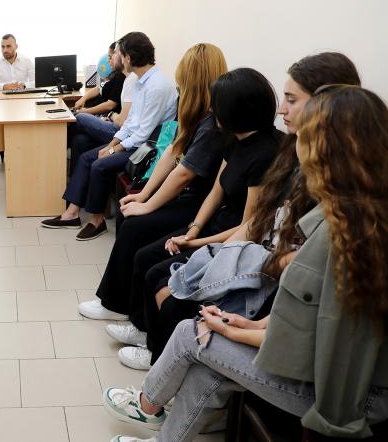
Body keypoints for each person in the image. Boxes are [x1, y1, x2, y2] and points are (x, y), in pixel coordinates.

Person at [103, 85, 388, 442]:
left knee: (191, 334)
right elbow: (308, 313)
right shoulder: (352, 215)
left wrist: (234, 332)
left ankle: (147, 405)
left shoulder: (346, 235)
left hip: (347, 397)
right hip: (334, 375)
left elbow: (329, 347)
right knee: (206, 359)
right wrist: (243, 325)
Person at [120, 52, 363, 367]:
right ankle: (150, 340)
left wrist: (204, 250)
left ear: (326, 104)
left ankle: (158, 357)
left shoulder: (298, 165)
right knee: (152, 261)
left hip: (260, 261)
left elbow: (264, 236)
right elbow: (225, 194)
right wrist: (194, 233)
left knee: (168, 287)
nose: (282, 109)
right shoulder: (275, 148)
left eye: (292, 100)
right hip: (245, 246)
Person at [89, 68, 282, 370]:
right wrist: (193, 229)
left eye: (217, 104)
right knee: (145, 256)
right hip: (213, 225)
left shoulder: (266, 153)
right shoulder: (234, 140)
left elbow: (249, 228)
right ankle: (143, 328)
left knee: (157, 273)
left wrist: (195, 242)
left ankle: (155, 351)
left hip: (232, 240)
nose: (212, 109)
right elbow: (217, 191)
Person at [78, 42, 228, 334]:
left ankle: (119, 306)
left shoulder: (212, 124)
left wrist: (148, 205)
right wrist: (142, 196)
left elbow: (183, 174)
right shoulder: (196, 115)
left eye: (183, 83)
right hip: (189, 196)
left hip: (200, 204)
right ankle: (118, 301)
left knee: (135, 225)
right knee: (128, 215)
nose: (179, 88)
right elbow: (172, 151)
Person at [42, 32, 178, 241]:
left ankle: (97, 221)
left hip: (147, 149)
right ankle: (71, 214)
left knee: (98, 165)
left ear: (128, 58)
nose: (117, 58)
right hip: (135, 141)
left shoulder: (157, 86)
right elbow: (130, 123)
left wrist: (113, 149)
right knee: (87, 157)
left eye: (119, 54)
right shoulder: (141, 82)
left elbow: (142, 134)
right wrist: (112, 144)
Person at [68, 41, 138, 174]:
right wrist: (83, 98)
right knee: (79, 140)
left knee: (79, 117)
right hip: (109, 121)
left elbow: (112, 106)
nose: (109, 60)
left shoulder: (123, 79)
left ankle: (57, 144)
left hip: (113, 125)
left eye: (111, 56)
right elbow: (98, 88)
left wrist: (87, 111)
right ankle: (71, 177)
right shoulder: (112, 76)